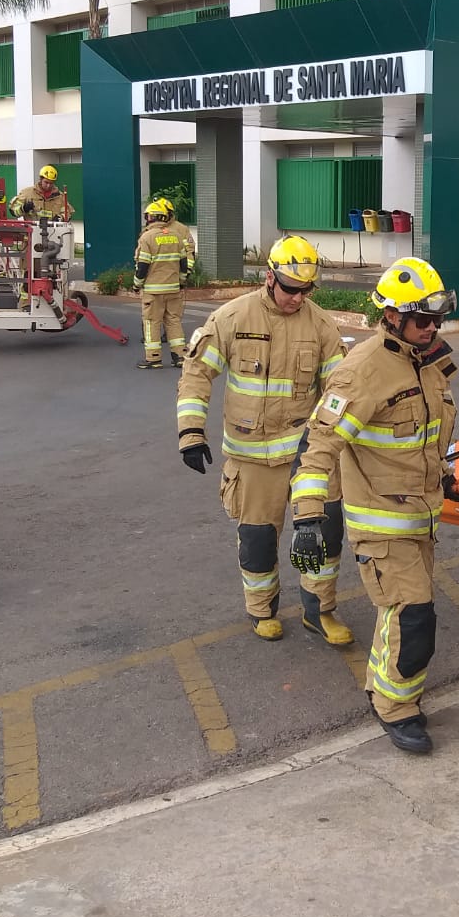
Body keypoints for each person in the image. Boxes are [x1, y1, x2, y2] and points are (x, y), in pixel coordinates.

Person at [290, 258, 458, 754]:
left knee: (401, 617)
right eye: (422, 319)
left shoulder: (426, 360)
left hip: (422, 515)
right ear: (392, 316)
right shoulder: (361, 373)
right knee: (413, 618)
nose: (432, 328)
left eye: (437, 319)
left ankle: (390, 687)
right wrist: (307, 517)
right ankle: (394, 706)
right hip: (382, 524)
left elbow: (427, 438)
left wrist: (451, 475)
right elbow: (318, 447)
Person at [177, 236, 350, 644]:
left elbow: (341, 389)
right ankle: (261, 610)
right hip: (251, 458)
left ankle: (319, 610)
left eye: (306, 289)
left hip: (308, 458)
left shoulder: (321, 324)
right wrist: (190, 432)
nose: (297, 297)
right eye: (291, 288)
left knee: (326, 534)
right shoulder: (233, 317)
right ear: (270, 277)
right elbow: (197, 374)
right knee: (257, 540)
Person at [132, 196, 196, 366]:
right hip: (174, 289)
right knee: (173, 321)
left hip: (154, 291)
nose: (147, 219)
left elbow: (143, 266)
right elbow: (184, 263)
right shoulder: (175, 236)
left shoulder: (147, 237)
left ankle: (153, 358)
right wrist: (182, 281)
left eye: (148, 216)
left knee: (152, 323)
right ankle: (180, 356)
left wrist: (136, 284)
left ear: (154, 217)